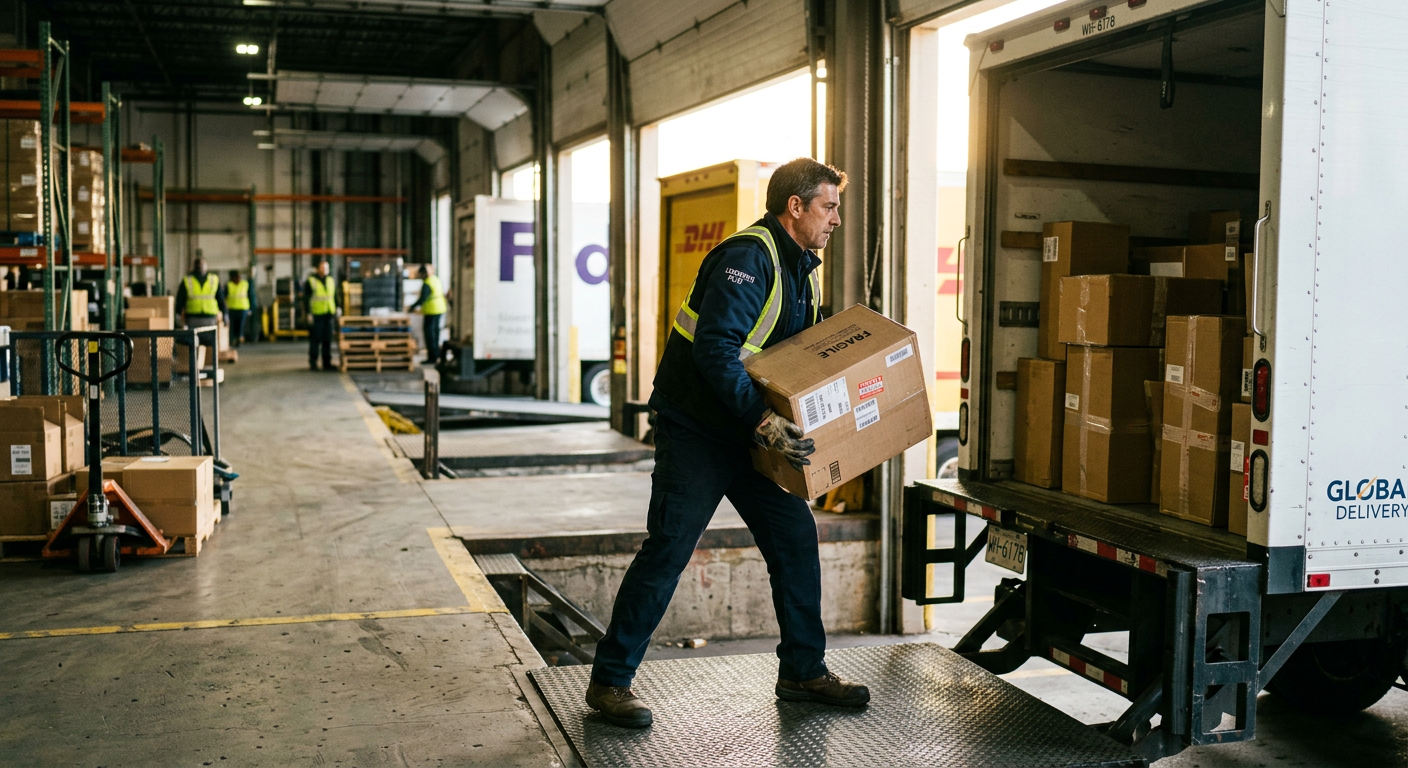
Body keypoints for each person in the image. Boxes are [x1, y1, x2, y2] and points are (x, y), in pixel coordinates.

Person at [585, 158, 867, 728]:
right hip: (697, 430)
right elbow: (716, 349)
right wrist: (764, 424)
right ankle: (610, 683)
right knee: (668, 548)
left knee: (794, 539)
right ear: (796, 207)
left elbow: (788, 357)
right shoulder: (748, 258)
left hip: (747, 430)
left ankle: (803, 672)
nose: (837, 219)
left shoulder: (800, 268)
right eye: (829, 206)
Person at [407, 265, 446, 366]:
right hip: (440, 309)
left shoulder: (427, 283)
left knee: (430, 335)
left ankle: (432, 358)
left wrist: (412, 307)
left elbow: (422, 298)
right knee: (435, 334)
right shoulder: (436, 279)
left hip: (432, 310)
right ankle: (437, 355)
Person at [303, 261, 338, 371]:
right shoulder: (311, 281)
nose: (325, 270)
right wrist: (308, 313)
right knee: (315, 339)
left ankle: (327, 363)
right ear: (317, 268)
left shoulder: (330, 280)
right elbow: (306, 298)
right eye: (322, 267)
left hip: (328, 314)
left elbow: (334, 295)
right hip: (316, 315)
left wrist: (338, 307)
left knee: (327, 339)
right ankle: (313, 363)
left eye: (326, 268)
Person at [176, 257, 224, 332]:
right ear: (194, 266)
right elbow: (180, 299)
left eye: (202, 264)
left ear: (206, 266)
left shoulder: (214, 279)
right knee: (194, 341)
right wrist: (178, 314)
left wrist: (225, 313)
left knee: (208, 341)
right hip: (193, 318)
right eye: (198, 264)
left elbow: (220, 299)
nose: (200, 266)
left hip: (210, 318)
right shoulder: (187, 280)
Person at [225, 269, 251, 348]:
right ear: (232, 278)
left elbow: (250, 296)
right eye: (237, 277)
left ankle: (238, 339)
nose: (239, 278)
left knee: (240, 325)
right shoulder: (229, 285)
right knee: (232, 326)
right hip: (232, 309)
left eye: (239, 277)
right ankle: (232, 340)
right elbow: (224, 297)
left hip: (243, 309)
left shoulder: (245, 284)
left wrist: (250, 309)